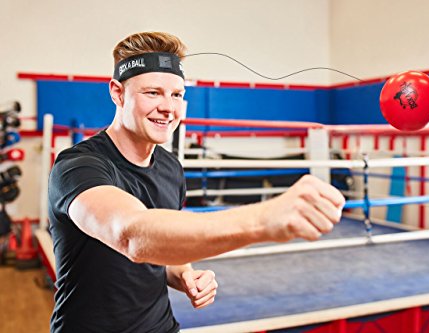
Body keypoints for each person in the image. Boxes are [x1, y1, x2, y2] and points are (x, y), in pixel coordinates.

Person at [48, 31, 345, 333]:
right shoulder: (78, 167)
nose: (168, 107)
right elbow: (131, 235)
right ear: (117, 92)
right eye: (152, 93)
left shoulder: (170, 168)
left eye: (176, 95)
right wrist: (263, 218)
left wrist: (183, 274)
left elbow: (160, 245)